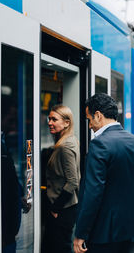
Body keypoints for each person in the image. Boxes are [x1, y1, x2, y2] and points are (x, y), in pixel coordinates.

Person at [73, 93, 134, 253]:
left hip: (103, 233)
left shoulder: (99, 144)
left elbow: (93, 194)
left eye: (89, 119)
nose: (89, 125)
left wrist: (81, 233)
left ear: (98, 115)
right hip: (128, 229)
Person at [44, 105, 80, 253]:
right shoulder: (70, 140)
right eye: (49, 118)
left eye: (54, 119)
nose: (50, 122)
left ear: (66, 123)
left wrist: (55, 208)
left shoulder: (64, 146)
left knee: (59, 248)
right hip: (65, 207)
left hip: (63, 209)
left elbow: (72, 181)